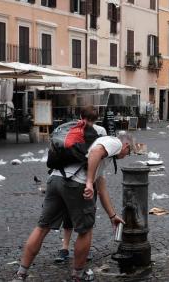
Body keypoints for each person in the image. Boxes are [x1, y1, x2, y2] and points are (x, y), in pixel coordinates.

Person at [13, 129, 131, 281]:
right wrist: (88, 182)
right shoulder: (115, 142)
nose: (126, 155)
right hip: (76, 183)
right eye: (129, 152)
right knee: (85, 231)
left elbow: (101, 188)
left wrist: (112, 215)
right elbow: (95, 152)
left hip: (55, 179)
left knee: (42, 227)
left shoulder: (97, 154)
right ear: (126, 145)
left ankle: (20, 274)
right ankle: (78, 275)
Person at [55, 106, 107, 263]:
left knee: (67, 215)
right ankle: (85, 249)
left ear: (80, 115)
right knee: (86, 217)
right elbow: (100, 156)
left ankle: (64, 248)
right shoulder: (101, 131)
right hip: (88, 178)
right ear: (97, 118)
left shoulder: (71, 126)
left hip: (65, 175)